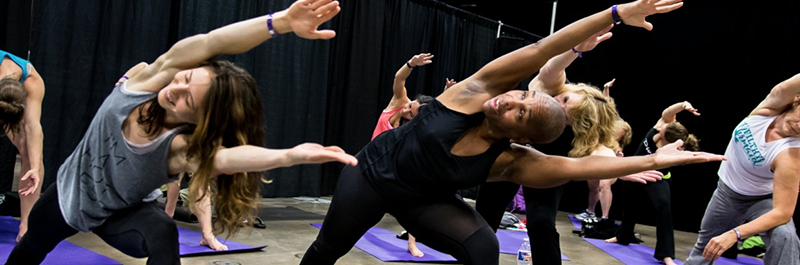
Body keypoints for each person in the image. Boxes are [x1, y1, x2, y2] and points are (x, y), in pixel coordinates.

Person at [301, 2, 723, 264]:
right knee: (327, 251)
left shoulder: (513, 160)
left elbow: (577, 167)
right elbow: (545, 49)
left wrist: (653, 160)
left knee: (483, 248)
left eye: (519, 113)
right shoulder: (474, 93)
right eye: (520, 96)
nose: (509, 101)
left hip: (421, 198)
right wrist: (615, 13)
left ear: (519, 138)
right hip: (372, 176)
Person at [7, 0, 358, 264]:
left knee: (162, 229)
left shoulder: (179, 146)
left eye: (186, 99)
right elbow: (210, 42)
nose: (175, 89)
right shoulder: (149, 80)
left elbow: (222, 158)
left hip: (121, 214)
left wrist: (289, 156)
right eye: (185, 78)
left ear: (199, 119)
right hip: (69, 196)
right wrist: (279, 22)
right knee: (29, 249)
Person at [475, 21, 617, 265]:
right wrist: (575, 50)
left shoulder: (582, 133)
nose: (556, 106)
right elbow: (551, 67)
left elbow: (606, 154)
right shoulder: (551, 87)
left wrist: (634, 167)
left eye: (565, 113)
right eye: (563, 99)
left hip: (546, 168)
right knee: (484, 218)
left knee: (541, 223)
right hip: (509, 157)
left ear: (576, 125)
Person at [685, 73, 800, 265]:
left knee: (785, 236)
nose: (799, 126)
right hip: (727, 193)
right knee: (704, 250)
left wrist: (735, 234)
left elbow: (782, 213)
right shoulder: (769, 109)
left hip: (762, 200)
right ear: (796, 101)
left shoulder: (791, 155)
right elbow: (787, 87)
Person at [606, 100, 700, 265]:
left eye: (662, 131)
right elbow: (668, 111)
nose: (659, 128)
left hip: (656, 176)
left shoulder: (675, 149)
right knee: (630, 205)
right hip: (634, 171)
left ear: (670, 141)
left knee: (664, 207)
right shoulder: (665, 124)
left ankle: (666, 254)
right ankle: (623, 236)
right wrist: (683, 105)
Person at [373, 53, 437, 257]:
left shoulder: (415, 127)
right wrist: (410, 64)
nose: (407, 110)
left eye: (412, 113)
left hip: (394, 168)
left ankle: (412, 244)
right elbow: (399, 79)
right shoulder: (399, 102)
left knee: (414, 199)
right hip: (371, 161)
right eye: (410, 106)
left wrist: (446, 95)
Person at [0, 48, 45, 242]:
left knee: (31, 152)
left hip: (12, 100)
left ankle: (27, 225)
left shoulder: (33, 82)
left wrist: (34, 167)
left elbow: (33, 127)